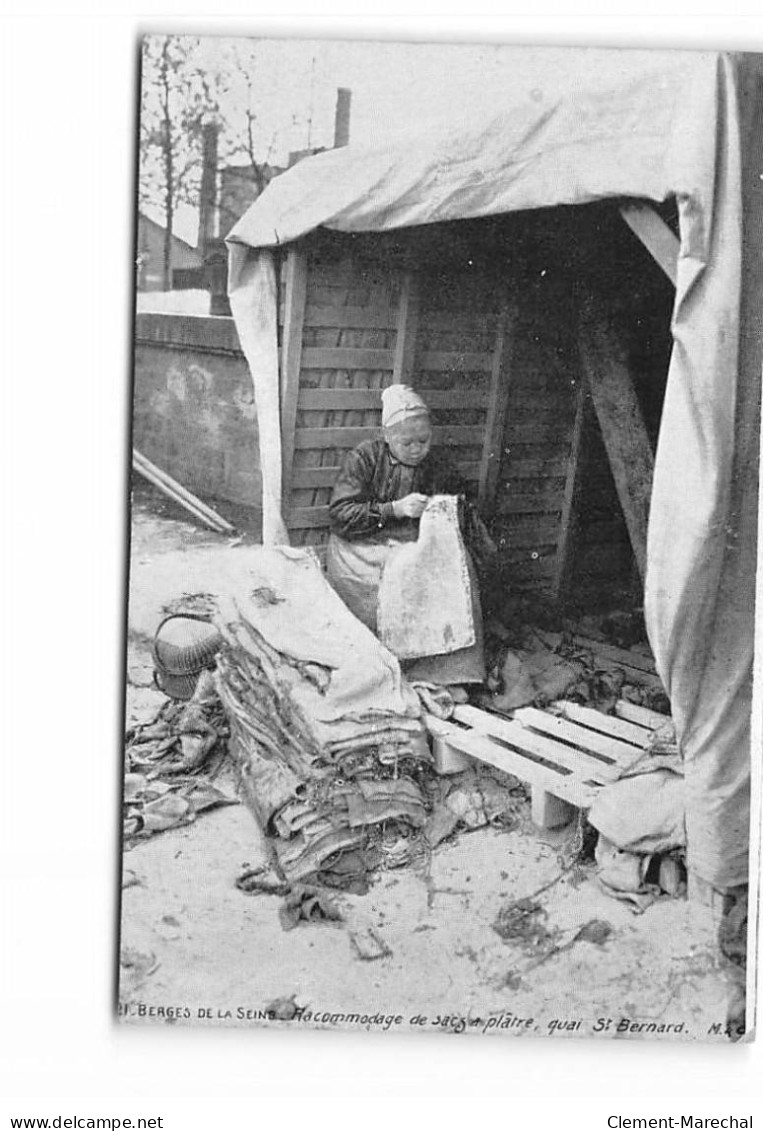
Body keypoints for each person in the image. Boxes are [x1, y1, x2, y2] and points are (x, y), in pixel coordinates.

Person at [326, 384, 492, 686]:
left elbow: (463, 498)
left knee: (457, 570)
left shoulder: (436, 463)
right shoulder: (364, 458)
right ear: (387, 437)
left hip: (413, 543)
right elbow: (340, 515)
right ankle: (392, 668)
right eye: (407, 443)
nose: (417, 449)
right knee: (398, 576)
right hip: (363, 545)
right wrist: (395, 509)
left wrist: (446, 507)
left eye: (423, 441)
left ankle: (451, 674)